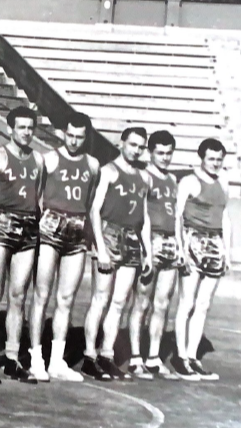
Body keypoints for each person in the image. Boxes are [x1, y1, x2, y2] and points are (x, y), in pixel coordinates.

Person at [0, 106, 44, 384]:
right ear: (10, 129)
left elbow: (38, 197)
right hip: (1, 222)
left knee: (18, 295)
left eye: (30, 128)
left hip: (27, 227)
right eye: (21, 127)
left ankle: (12, 358)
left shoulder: (37, 159)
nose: (26, 132)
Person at [28, 112, 99, 382]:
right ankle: (36, 358)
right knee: (41, 295)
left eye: (79, 137)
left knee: (66, 299)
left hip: (77, 232)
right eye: (70, 135)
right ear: (63, 133)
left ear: (86, 137)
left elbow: (90, 202)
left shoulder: (92, 164)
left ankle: (57, 361)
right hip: (51, 228)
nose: (74, 141)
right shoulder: (49, 159)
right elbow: (37, 195)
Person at [82, 127, 152, 381]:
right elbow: (94, 210)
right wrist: (100, 247)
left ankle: (106, 354)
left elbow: (144, 217)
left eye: (141, 146)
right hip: (109, 234)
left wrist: (148, 252)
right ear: (121, 143)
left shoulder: (144, 177)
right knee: (100, 298)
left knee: (119, 302)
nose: (136, 150)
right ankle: (89, 356)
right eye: (132, 144)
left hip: (132, 238)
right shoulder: (109, 171)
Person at [171, 138, 230, 381]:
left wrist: (226, 250)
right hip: (192, 240)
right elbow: (177, 216)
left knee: (204, 304)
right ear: (202, 158)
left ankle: (193, 357)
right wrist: (181, 248)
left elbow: (224, 217)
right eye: (211, 159)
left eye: (219, 159)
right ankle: (180, 357)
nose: (215, 163)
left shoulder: (223, 181)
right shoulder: (189, 181)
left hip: (215, 244)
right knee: (187, 303)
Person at [127, 131, 181, 380]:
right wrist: (146, 250)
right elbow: (141, 216)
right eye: (160, 153)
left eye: (169, 153)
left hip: (170, 242)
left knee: (162, 304)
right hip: (150, 241)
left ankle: (153, 357)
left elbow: (176, 216)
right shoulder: (144, 176)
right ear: (150, 153)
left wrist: (179, 246)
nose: (165, 157)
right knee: (142, 302)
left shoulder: (172, 179)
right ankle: (135, 357)